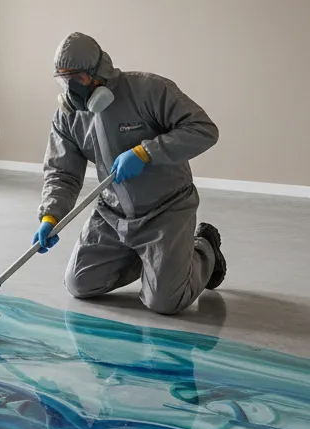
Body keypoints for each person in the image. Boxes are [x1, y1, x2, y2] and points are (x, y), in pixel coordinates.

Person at [34, 32, 226, 315]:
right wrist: (51, 216)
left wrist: (146, 153)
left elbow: (203, 130)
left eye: (78, 78)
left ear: (99, 73)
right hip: (113, 215)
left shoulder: (149, 90)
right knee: (79, 284)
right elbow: (62, 172)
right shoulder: (68, 116)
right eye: (64, 79)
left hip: (165, 210)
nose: (72, 87)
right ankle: (153, 262)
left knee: (164, 303)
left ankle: (203, 248)